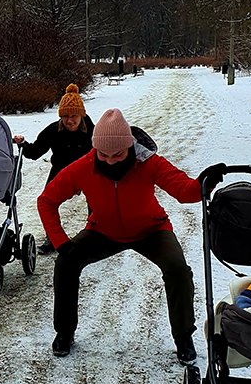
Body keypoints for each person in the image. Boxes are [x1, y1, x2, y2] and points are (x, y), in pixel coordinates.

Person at [37, 108, 214, 364]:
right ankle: (65, 332)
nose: (110, 161)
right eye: (103, 154)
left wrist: (204, 183)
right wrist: (60, 241)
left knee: (177, 269)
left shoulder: (149, 162)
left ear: (129, 146)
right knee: (66, 263)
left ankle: (183, 337)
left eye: (118, 154)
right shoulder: (84, 166)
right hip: (102, 231)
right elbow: (46, 201)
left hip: (151, 231)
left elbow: (185, 191)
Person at [13, 83, 94, 254]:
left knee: (97, 201)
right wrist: (23, 144)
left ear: (81, 114)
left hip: (87, 172)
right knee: (47, 202)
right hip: (61, 171)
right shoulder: (53, 130)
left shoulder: (92, 131)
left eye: (74, 116)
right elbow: (34, 152)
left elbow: (105, 152)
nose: (69, 120)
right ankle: (53, 238)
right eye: (65, 116)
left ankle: (94, 236)